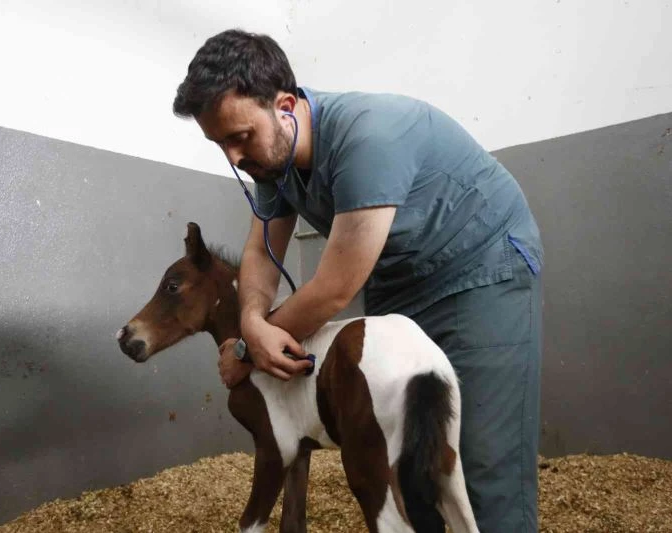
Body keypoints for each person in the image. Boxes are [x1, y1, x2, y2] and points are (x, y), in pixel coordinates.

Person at [172, 28, 544, 533]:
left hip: (480, 269)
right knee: (409, 463)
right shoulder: (272, 163)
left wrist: (245, 349)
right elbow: (260, 250)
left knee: (475, 464)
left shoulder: (367, 136)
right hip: (399, 279)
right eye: (219, 143)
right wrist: (253, 322)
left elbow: (334, 289)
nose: (233, 157)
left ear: (285, 106)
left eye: (239, 136)